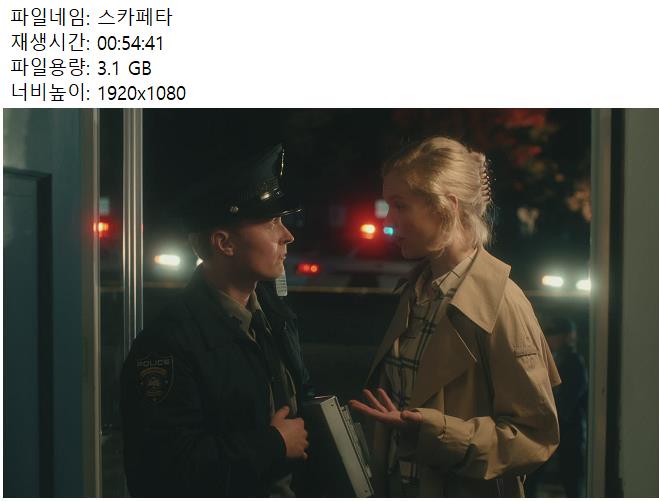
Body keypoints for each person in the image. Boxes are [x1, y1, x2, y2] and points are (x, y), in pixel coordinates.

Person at [349, 137, 562, 497]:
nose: (387, 220)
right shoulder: (416, 292)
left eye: (400, 206)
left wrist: (434, 433)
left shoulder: (502, 302)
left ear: (446, 207)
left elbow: (534, 437)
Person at [120, 144, 314, 497]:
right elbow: (164, 468)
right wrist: (271, 444)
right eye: (271, 222)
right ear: (224, 243)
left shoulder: (275, 317)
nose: (287, 235)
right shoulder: (169, 342)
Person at [526, 317, 587, 497]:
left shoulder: (573, 362)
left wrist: (551, 418)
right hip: (555, 426)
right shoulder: (555, 359)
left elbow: (568, 398)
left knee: (571, 480)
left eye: (554, 334)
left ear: (567, 336)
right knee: (535, 476)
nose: (550, 338)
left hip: (567, 429)